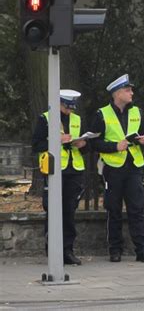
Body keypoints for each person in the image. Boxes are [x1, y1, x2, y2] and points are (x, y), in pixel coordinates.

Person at [90, 74, 144, 263]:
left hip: (133, 165)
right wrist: (114, 147)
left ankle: (142, 251)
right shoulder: (102, 114)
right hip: (113, 167)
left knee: (137, 209)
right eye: (128, 90)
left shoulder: (137, 112)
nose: (131, 93)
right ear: (117, 93)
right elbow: (93, 143)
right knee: (113, 209)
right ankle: (114, 250)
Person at [32, 89, 87, 265]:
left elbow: (86, 146)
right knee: (53, 211)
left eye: (72, 108)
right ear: (58, 104)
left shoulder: (77, 119)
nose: (70, 111)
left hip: (74, 170)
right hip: (54, 170)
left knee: (69, 212)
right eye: (66, 107)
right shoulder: (45, 119)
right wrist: (58, 140)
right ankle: (52, 250)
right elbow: (37, 144)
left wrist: (82, 144)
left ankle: (68, 251)